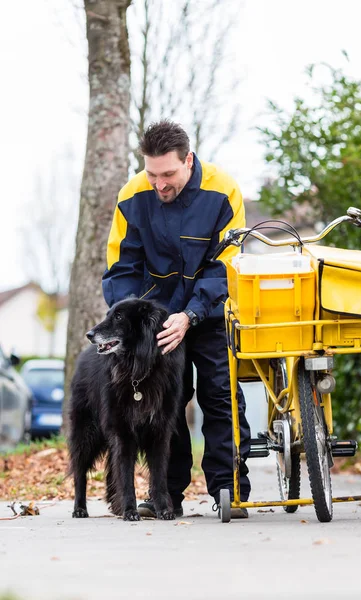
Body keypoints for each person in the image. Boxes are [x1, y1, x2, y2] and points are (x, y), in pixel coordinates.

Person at [102, 120, 251, 518]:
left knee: (220, 396)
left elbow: (227, 263)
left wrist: (192, 313)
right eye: (152, 174)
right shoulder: (133, 194)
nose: (159, 184)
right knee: (165, 401)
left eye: (168, 174)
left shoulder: (224, 190)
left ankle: (229, 490)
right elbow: (122, 267)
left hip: (211, 309)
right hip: (156, 320)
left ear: (188, 160)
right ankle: (166, 495)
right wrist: (131, 324)